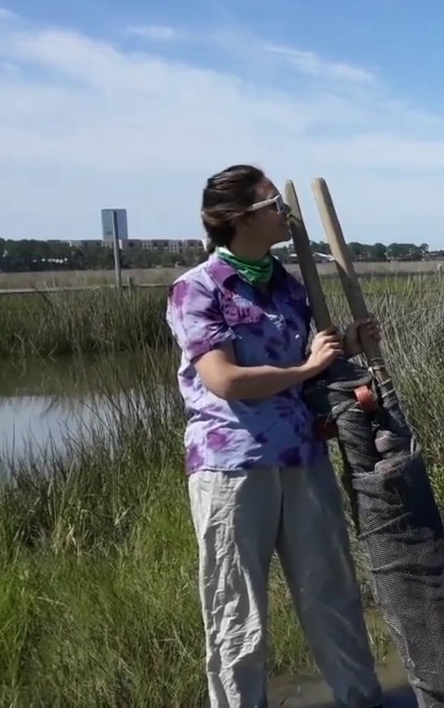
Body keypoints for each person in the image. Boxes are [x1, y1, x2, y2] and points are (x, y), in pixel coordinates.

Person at [165, 164, 385, 708]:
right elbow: (226, 380)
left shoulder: (289, 286)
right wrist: (309, 368)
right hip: (232, 467)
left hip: (301, 454)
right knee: (236, 610)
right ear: (240, 218)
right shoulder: (196, 290)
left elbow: (309, 361)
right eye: (271, 204)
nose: (284, 213)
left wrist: (346, 347)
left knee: (332, 595)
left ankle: (363, 700)